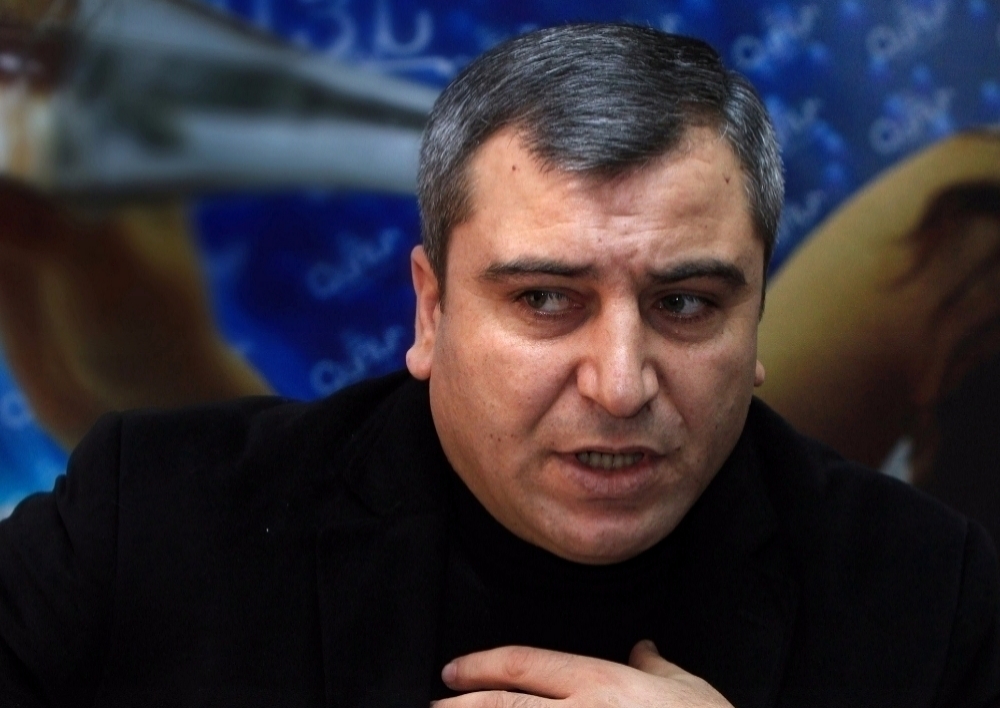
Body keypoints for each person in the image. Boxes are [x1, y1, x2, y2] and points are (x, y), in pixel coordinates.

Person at [0, 22, 997, 708]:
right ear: (431, 310)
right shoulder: (149, 520)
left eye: (686, 305)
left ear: (756, 319)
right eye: (546, 301)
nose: (619, 384)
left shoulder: (926, 595)